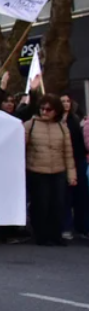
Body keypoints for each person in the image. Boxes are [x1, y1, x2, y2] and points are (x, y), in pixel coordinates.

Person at [25, 95, 76, 246]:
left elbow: (68, 153)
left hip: (58, 171)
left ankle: (56, 235)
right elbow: (20, 147)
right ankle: (41, 235)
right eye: (42, 108)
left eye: (49, 109)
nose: (45, 112)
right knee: (41, 204)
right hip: (37, 171)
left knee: (58, 204)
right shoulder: (30, 125)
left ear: (56, 111)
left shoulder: (62, 127)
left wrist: (71, 175)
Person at [60, 95, 88, 241]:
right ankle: (66, 227)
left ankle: (82, 227)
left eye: (68, 101)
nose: (66, 104)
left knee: (81, 195)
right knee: (66, 196)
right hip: (62, 161)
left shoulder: (76, 119)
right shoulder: (56, 121)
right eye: (63, 102)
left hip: (78, 159)